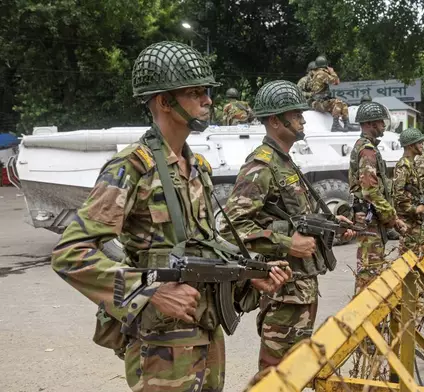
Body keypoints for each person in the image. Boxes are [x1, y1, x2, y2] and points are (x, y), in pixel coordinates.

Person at [50, 41, 291, 392]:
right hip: (162, 345)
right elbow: (70, 254)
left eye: (207, 92)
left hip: (207, 331)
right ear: (164, 101)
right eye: (196, 93)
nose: (208, 101)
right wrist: (148, 290)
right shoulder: (132, 167)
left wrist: (250, 271)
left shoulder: (198, 167)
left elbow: (206, 243)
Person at [218, 80, 355, 371]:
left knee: (295, 368)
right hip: (283, 288)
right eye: (295, 114)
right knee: (275, 372)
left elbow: (296, 215)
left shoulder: (285, 162)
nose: (302, 119)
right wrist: (287, 243)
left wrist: (330, 223)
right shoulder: (261, 165)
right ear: (274, 121)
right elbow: (232, 226)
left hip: (302, 285)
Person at [349, 101, 407, 294]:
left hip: (372, 219)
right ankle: (359, 320)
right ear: (371, 123)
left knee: (371, 273)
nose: (383, 126)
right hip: (371, 221)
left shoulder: (367, 147)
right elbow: (370, 191)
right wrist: (392, 217)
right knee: (369, 278)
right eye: (381, 122)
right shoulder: (367, 150)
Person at [393, 128, 424, 253]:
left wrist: (423, 203)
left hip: (416, 220)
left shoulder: (412, 164)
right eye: (419, 143)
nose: (422, 145)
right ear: (410, 145)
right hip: (408, 220)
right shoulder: (403, 165)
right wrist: (415, 209)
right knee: (407, 256)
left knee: (418, 254)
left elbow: (420, 190)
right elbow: (398, 194)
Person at [309, 55, 352, 132]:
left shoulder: (318, 73)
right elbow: (336, 81)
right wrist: (332, 71)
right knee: (338, 102)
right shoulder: (322, 74)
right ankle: (335, 126)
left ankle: (347, 124)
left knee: (344, 104)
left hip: (320, 102)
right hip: (318, 103)